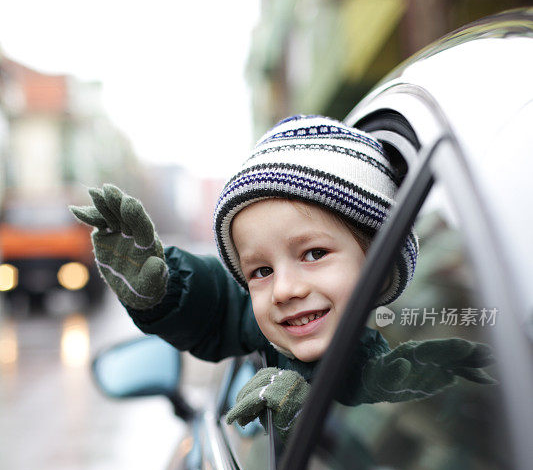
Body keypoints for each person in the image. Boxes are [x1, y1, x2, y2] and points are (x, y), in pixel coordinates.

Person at [70, 115, 494, 433]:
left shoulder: (428, 357)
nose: (285, 289)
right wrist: (164, 292)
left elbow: (371, 376)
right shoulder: (274, 330)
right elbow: (222, 309)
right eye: (261, 271)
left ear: (380, 263)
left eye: (313, 253)